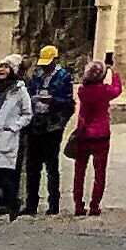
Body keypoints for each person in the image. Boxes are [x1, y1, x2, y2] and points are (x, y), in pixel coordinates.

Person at [22, 44, 71, 215]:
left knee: (51, 164)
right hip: (36, 122)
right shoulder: (37, 75)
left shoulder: (64, 77)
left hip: (53, 123)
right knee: (32, 164)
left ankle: (53, 203)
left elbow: (68, 102)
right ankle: (31, 203)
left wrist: (53, 102)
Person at [0, 63, 32, 222]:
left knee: (5, 177)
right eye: (0, 67)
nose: (2, 70)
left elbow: (27, 113)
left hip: (7, 137)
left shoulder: (19, 91)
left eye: (6, 67)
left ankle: (12, 204)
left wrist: (13, 127)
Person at [68, 57, 115, 217]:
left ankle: (78, 204)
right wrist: (113, 72)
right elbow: (117, 89)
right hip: (101, 134)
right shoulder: (105, 91)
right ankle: (94, 205)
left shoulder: (83, 90)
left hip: (84, 133)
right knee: (99, 172)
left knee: (79, 171)